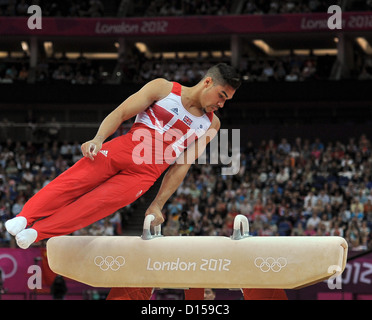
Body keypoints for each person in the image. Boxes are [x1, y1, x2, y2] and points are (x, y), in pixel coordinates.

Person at [5, 63, 240, 250]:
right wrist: (98, 139)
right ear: (207, 82)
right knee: (73, 181)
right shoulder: (164, 89)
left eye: (226, 101)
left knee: (94, 206)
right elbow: (121, 113)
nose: (221, 104)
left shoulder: (211, 124)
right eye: (221, 96)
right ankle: (26, 217)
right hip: (124, 148)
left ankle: (38, 232)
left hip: (144, 175)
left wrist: (157, 204)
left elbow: (182, 165)